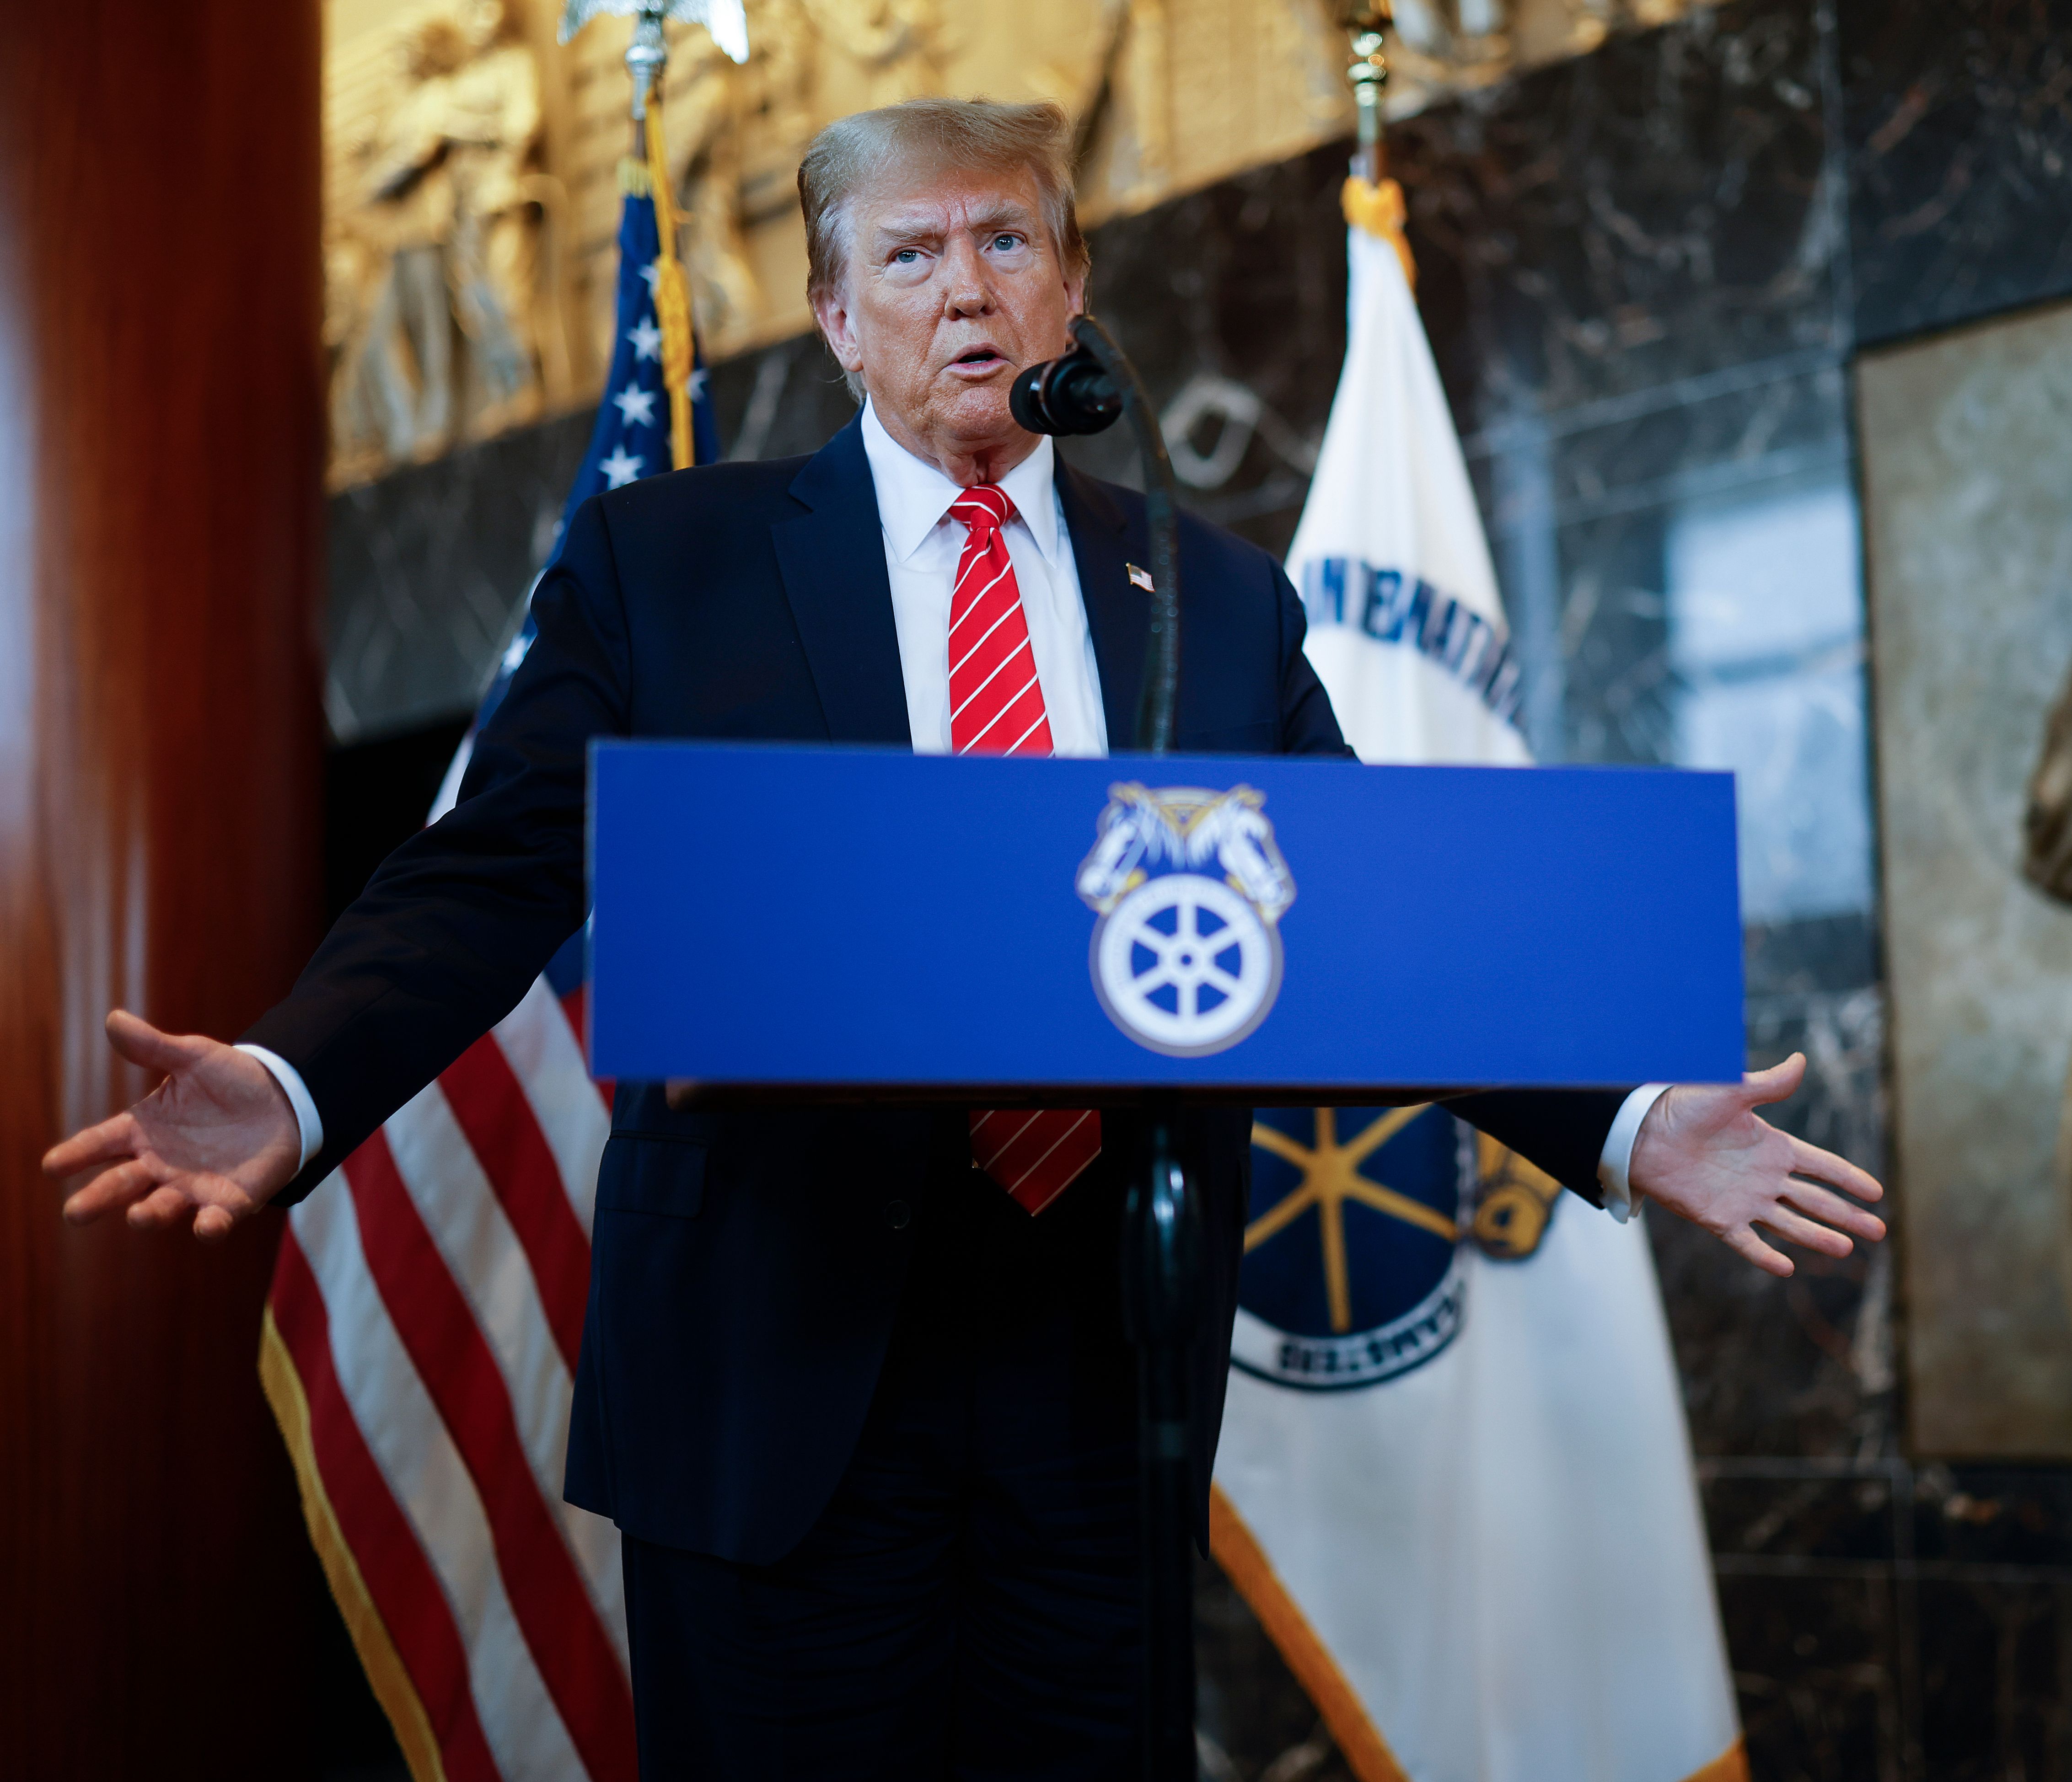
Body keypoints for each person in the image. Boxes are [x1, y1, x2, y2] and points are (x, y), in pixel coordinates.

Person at [42, 98, 1884, 1778]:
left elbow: (1366, 919)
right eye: (910, 256)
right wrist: (302, 1074)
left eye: (1007, 241)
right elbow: (492, 870)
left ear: (1073, 288)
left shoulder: (1214, 598)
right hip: (778, 1370)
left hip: (1098, 1391)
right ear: (838, 319)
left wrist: (1630, 1118)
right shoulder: (665, 567)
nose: (966, 291)